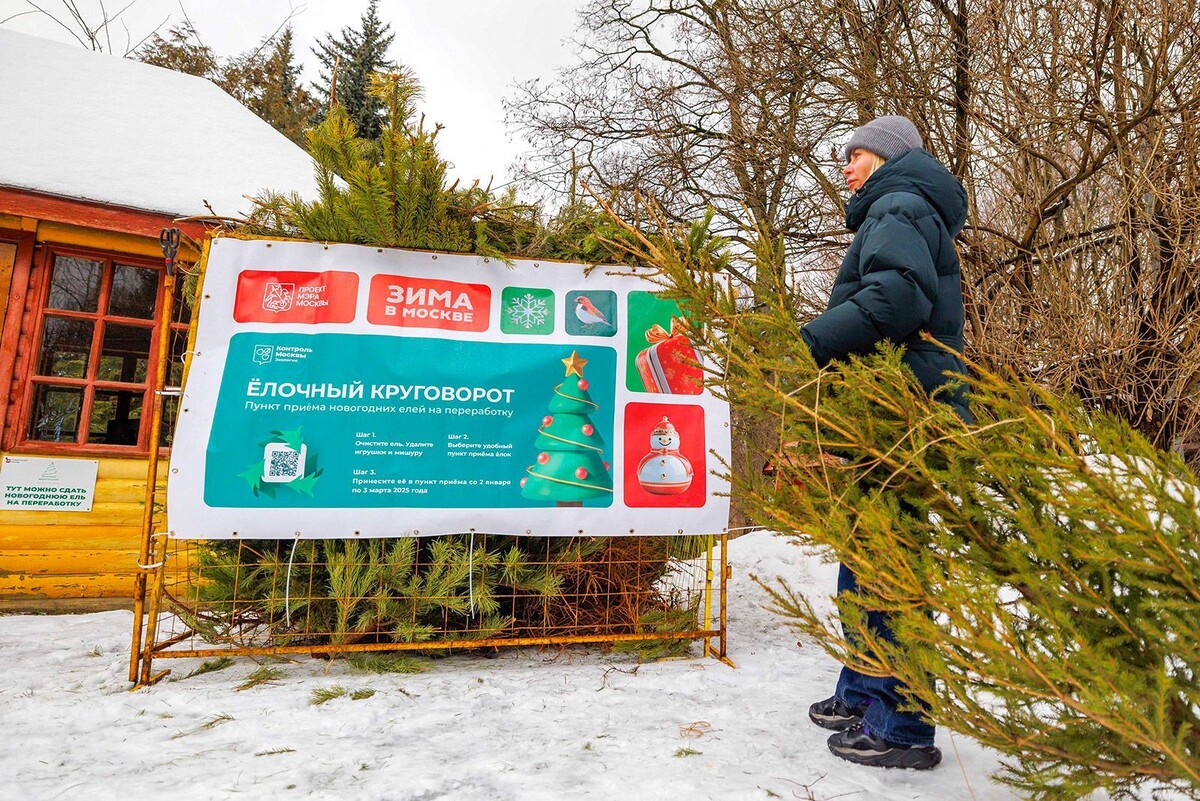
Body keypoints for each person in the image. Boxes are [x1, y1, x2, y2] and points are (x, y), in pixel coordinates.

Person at [798, 115, 969, 770]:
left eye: (857, 153)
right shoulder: (900, 207)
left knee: (890, 565)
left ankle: (903, 723)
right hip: (889, 415)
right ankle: (868, 685)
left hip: (904, 416)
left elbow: (896, 299)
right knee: (868, 554)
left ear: (890, 156)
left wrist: (812, 339)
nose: (846, 165)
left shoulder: (899, 202)